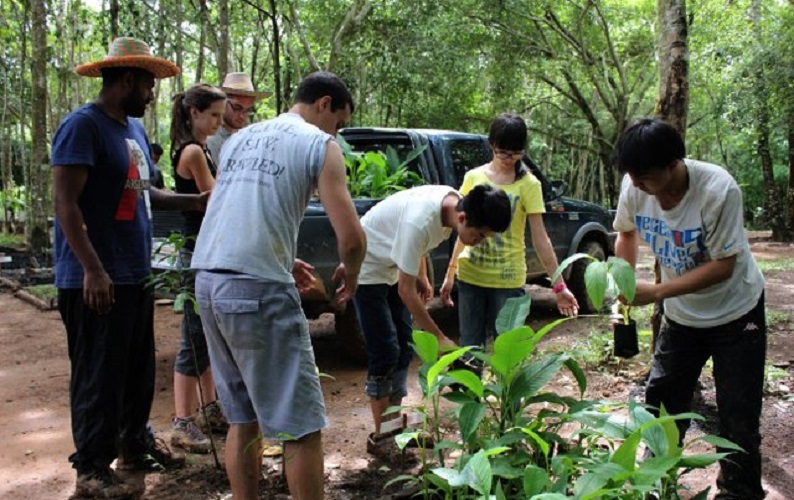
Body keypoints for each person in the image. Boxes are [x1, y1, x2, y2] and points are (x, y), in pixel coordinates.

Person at [191, 71, 366, 500]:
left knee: (242, 418)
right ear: (324, 104)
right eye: (339, 123)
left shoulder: (237, 140)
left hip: (210, 282)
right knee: (301, 424)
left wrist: (283, 259)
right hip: (259, 291)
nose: (337, 133)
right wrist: (352, 271)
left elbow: (237, 209)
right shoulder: (318, 145)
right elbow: (352, 239)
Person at [51, 37, 207, 498]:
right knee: (99, 372)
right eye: (148, 85)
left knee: (135, 369)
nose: (153, 94)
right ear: (126, 81)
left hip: (136, 270)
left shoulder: (132, 131)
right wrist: (92, 270)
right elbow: (65, 204)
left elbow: (146, 192)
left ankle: (133, 443)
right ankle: (93, 468)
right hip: (97, 275)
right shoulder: (84, 127)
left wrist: (196, 200)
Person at [612, 118, 766, 499]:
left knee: (738, 413)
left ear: (672, 165)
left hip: (737, 312)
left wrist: (658, 292)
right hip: (683, 318)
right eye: (631, 175)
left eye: (644, 176)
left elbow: (724, 265)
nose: (635, 184)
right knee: (663, 402)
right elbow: (626, 232)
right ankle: (656, 482)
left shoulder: (718, 189)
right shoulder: (635, 187)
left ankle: (738, 492)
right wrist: (625, 284)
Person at [354, 183, 512, 454]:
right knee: (385, 351)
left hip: (392, 265)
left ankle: (395, 426)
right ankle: (383, 438)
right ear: (462, 219)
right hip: (367, 267)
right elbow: (406, 288)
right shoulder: (421, 220)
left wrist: (422, 275)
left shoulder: (454, 202)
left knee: (404, 344)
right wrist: (439, 337)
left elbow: (418, 246)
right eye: (480, 235)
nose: (479, 242)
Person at [440, 114, 579, 357]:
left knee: (510, 356)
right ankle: (472, 396)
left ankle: (509, 397)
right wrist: (450, 273)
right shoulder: (474, 178)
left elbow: (541, 239)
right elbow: (463, 228)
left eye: (516, 153)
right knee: (469, 350)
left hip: (508, 281)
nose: (509, 159)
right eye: (503, 151)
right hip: (471, 277)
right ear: (491, 144)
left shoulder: (530, 185)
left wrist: (559, 286)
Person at [168, 83, 228, 454]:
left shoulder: (202, 147)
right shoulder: (192, 151)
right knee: (192, 338)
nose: (219, 123)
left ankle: (210, 408)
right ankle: (181, 421)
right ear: (194, 113)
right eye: (214, 116)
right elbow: (214, 198)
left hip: (204, 250)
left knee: (205, 336)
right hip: (194, 251)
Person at [206, 72, 271, 164]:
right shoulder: (210, 139)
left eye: (248, 110)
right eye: (237, 108)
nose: (242, 116)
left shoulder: (251, 137)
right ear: (222, 103)